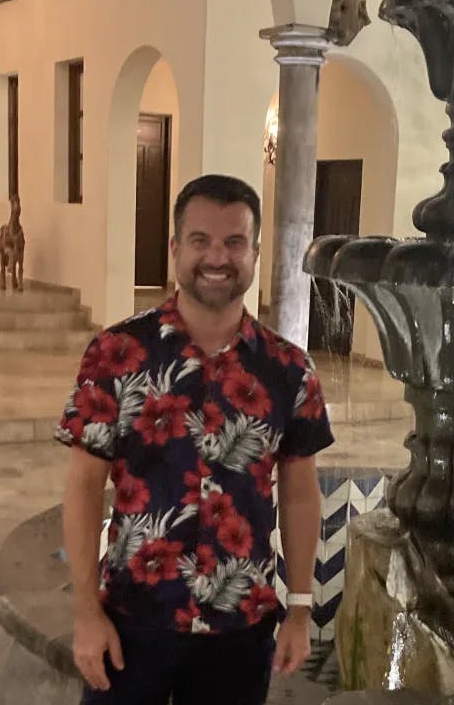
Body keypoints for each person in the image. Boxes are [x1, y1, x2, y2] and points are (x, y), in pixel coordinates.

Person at [57, 174, 334, 704]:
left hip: (239, 630)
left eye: (234, 243)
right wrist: (86, 613)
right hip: (132, 620)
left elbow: (299, 493)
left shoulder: (289, 370)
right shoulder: (116, 354)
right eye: (201, 240)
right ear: (174, 250)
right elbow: (84, 488)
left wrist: (299, 608)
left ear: (255, 254)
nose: (217, 257)